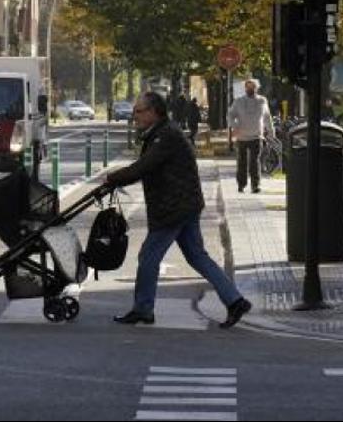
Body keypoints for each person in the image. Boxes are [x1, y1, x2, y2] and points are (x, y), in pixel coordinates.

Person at [104, 92, 251, 328]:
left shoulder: (166, 136)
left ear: (154, 112)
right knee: (197, 256)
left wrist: (112, 178)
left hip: (173, 208)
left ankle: (143, 308)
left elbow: (144, 166)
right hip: (184, 204)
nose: (136, 116)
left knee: (149, 256)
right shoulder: (161, 133)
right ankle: (235, 301)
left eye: (139, 111)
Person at [228, 79, 274, 194]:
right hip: (242, 137)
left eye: (252, 87)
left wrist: (271, 132)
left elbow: (267, 117)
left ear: (256, 88)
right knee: (242, 162)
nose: (250, 89)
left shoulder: (262, 101)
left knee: (254, 161)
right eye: (248, 87)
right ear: (245, 88)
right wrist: (234, 126)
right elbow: (230, 115)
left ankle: (255, 185)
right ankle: (241, 184)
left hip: (257, 136)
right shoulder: (238, 101)